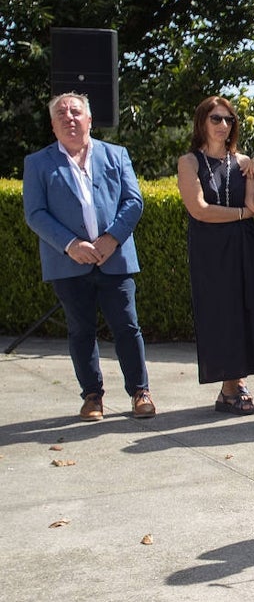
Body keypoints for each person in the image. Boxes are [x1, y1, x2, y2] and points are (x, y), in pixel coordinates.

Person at [23, 93, 154, 421]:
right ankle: (92, 396)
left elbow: (133, 201)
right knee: (81, 331)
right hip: (69, 263)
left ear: (90, 120)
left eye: (76, 112)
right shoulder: (38, 163)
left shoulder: (116, 154)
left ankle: (140, 392)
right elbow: (35, 213)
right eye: (62, 114)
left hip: (116, 258)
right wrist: (71, 245)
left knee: (127, 327)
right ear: (53, 126)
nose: (70, 118)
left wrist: (112, 239)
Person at [178, 97, 254, 414]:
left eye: (229, 120)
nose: (224, 125)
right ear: (202, 123)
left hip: (243, 244)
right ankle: (230, 384)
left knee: (246, 310)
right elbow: (200, 210)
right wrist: (240, 214)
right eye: (216, 119)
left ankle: (235, 384)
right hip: (209, 248)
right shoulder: (189, 162)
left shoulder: (242, 161)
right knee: (219, 313)